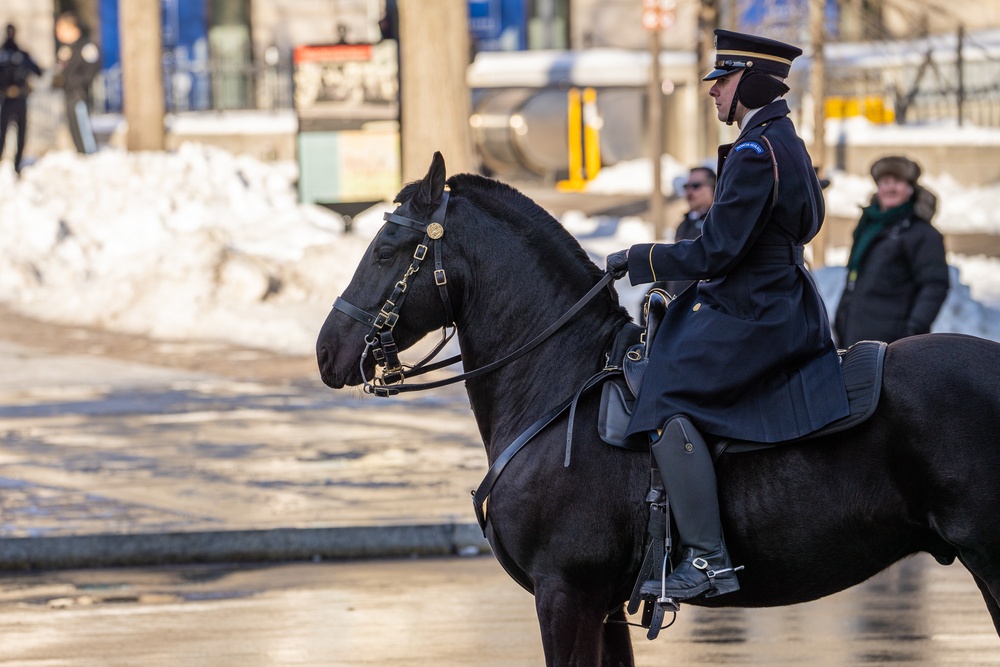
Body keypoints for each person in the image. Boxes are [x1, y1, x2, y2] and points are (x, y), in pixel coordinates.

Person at [605, 29, 849, 602]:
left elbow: (714, 251)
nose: (713, 93)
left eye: (722, 81)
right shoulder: (779, 139)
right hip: (775, 297)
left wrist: (639, 257)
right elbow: (804, 226)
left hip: (756, 311)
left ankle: (709, 559)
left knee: (663, 397)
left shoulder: (754, 150)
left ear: (750, 81)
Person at [833, 156, 949, 347]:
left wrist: (913, 331)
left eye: (898, 182)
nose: (890, 188)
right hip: (854, 336)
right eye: (885, 182)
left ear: (910, 188)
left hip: (894, 344)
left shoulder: (922, 233)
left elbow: (934, 285)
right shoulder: (869, 226)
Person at [663, 166, 716, 295]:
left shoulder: (716, 223)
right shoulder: (683, 224)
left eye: (696, 186)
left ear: (713, 188)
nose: (690, 192)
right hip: (678, 303)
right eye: (686, 187)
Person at [53, 12, 101, 154]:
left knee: (82, 127)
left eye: (61, 28)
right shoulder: (65, 50)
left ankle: (89, 155)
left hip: (79, 94)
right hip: (68, 94)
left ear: (72, 28)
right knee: (73, 127)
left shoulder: (86, 47)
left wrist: (73, 82)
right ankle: (81, 153)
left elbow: (90, 72)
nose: (58, 33)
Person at [0, 24, 42, 174]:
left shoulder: (21, 54)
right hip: (6, 99)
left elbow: (37, 71)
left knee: (20, 133)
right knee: (3, 132)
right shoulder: (6, 54)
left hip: (18, 98)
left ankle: (17, 165)